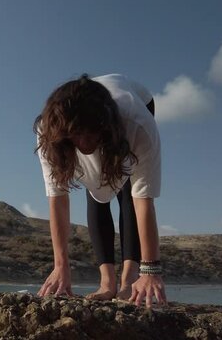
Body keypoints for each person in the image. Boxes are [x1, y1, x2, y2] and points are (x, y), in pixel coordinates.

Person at [34, 73, 166, 307]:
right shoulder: (49, 131)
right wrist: (60, 266)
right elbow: (58, 199)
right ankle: (107, 282)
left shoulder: (138, 124)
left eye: (90, 134)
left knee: (127, 190)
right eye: (77, 135)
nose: (84, 143)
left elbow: (143, 200)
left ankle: (129, 278)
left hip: (136, 104)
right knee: (94, 186)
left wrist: (151, 271)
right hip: (85, 116)